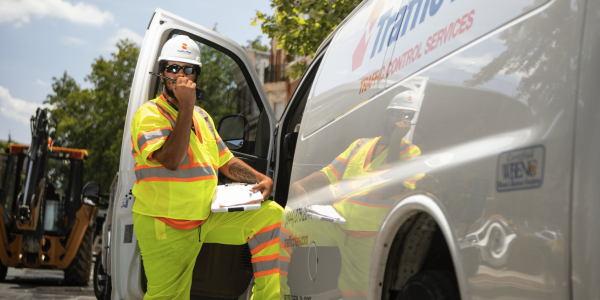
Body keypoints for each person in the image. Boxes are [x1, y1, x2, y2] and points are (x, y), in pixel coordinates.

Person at [130, 35, 283, 300]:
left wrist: (262, 179)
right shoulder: (150, 114)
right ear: (162, 72)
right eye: (173, 69)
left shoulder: (201, 117)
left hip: (205, 217)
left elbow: (225, 161)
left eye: (187, 70)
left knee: (271, 217)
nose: (180, 75)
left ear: (196, 75)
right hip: (167, 225)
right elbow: (171, 159)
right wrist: (187, 104)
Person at [281, 91, 424, 299]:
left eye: (408, 116)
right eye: (398, 114)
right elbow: (328, 174)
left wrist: (395, 142)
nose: (402, 120)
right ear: (385, 116)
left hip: (371, 238)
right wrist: (300, 185)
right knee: (287, 219)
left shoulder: (411, 153)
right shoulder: (359, 145)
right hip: (337, 224)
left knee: (359, 294)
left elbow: (387, 189)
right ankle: (277, 293)